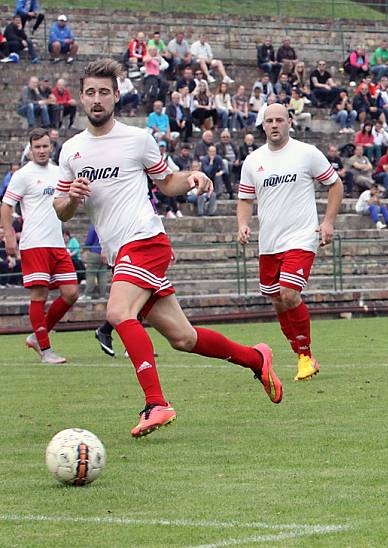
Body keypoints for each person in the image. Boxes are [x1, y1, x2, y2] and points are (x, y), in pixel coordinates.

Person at [53, 59, 282, 438]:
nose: (97, 99)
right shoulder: (71, 151)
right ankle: (255, 358)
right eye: (90, 92)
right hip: (121, 255)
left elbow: (166, 182)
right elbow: (61, 210)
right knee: (183, 338)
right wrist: (73, 199)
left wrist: (190, 176)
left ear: (116, 97)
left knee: (118, 310)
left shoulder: (137, 138)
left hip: (145, 240)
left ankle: (156, 403)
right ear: (81, 97)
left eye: (104, 93)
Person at [237, 103, 343, 381]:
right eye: (269, 120)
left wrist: (328, 222)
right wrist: (243, 225)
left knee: (289, 293)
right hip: (269, 242)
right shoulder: (253, 161)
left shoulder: (306, 153)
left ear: (289, 122)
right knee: (277, 300)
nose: (274, 125)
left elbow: (335, 184)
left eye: (279, 120)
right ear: (263, 125)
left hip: (301, 236)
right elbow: (245, 199)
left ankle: (305, 355)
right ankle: (301, 354)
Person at [1, 128, 78, 364]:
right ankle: (46, 351)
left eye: (45, 146)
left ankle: (37, 335)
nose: (42, 150)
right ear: (30, 149)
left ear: (51, 147)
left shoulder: (59, 172)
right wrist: (9, 235)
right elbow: (6, 207)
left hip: (57, 244)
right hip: (35, 244)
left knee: (71, 293)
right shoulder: (23, 175)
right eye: (37, 147)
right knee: (39, 294)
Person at [81, 225, 108, 300]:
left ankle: (88, 294)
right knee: (102, 275)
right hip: (105, 253)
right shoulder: (107, 226)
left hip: (94, 253)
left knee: (90, 274)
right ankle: (102, 295)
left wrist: (85, 248)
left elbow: (89, 241)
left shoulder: (94, 226)